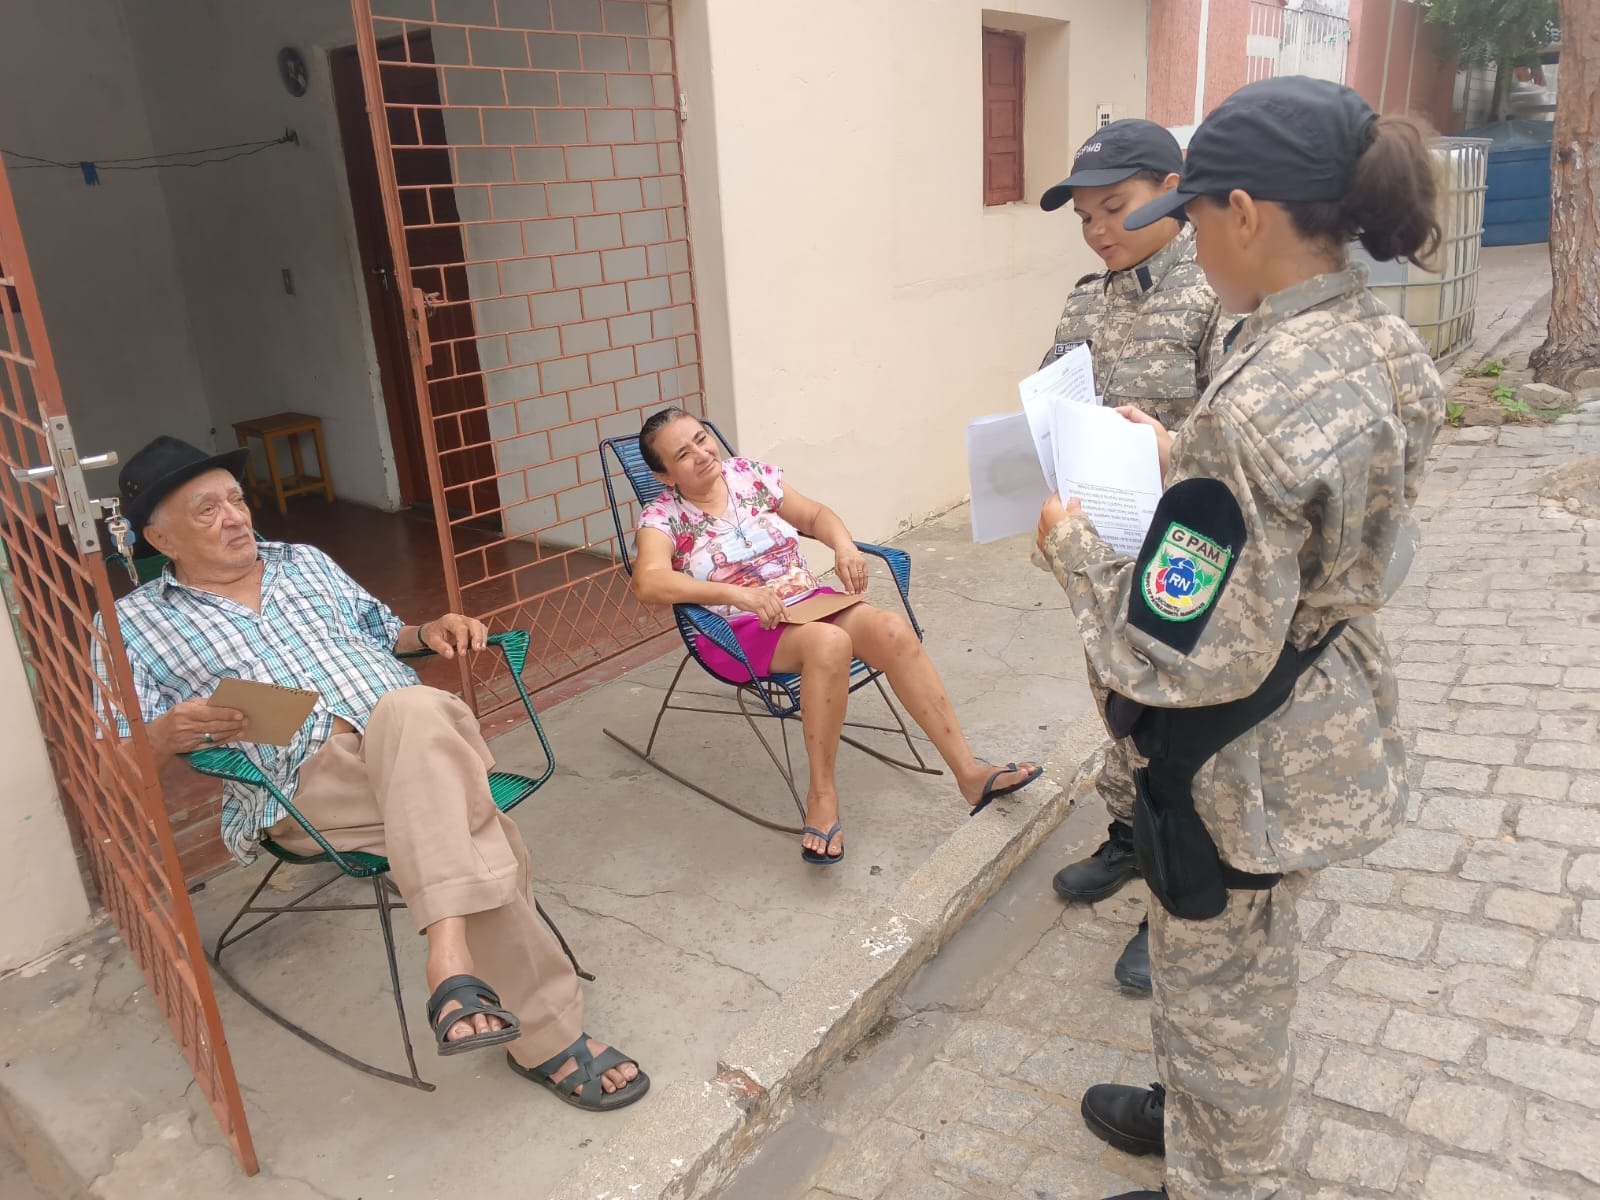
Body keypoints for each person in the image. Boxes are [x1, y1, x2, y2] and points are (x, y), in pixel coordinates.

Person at [1034, 77, 1444, 1199]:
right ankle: (1189, 1118)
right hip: (1319, 703)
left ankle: (1216, 1176)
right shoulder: (1377, 341)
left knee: (1225, 995)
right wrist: (1180, 456)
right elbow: (1322, 510)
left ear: (1246, 213)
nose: (1192, 235)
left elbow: (1180, 646)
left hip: (1240, 760)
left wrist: (1072, 550)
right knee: (1233, 972)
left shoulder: (1254, 402)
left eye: (1197, 212)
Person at [99, 436, 648, 1111]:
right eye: (207, 510)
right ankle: (539, 1026)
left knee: (411, 712)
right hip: (305, 785)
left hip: (414, 740)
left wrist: (431, 631)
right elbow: (114, 764)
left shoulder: (304, 561)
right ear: (159, 538)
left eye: (237, 500)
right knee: (468, 821)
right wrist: (160, 736)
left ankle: (452, 964)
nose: (235, 517)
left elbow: (387, 632)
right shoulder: (131, 625)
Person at [631, 407, 1043, 864]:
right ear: (664, 476)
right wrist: (738, 595)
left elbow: (814, 514)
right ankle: (822, 796)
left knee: (891, 629)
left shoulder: (747, 475)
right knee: (829, 643)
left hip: (807, 602)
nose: (702, 454)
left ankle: (970, 774)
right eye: (682, 454)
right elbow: (648, 582)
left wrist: (843, 546)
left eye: (701, 438)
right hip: (739, 629)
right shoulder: (663, 517)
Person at [1037, 119, 1228, 993]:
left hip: (1185, 558)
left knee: (1179, 731)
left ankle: (1177, 891)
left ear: (1170, 189)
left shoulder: (1217, 291)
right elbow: (1055, 403)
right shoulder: (1087, 299)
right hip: (1098, 551)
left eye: (1114, 207)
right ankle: (1128, 834)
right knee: (1115, 706)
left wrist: (1167, 450)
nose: (1098, 230)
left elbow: (1235, 448)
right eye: (1085, 217)